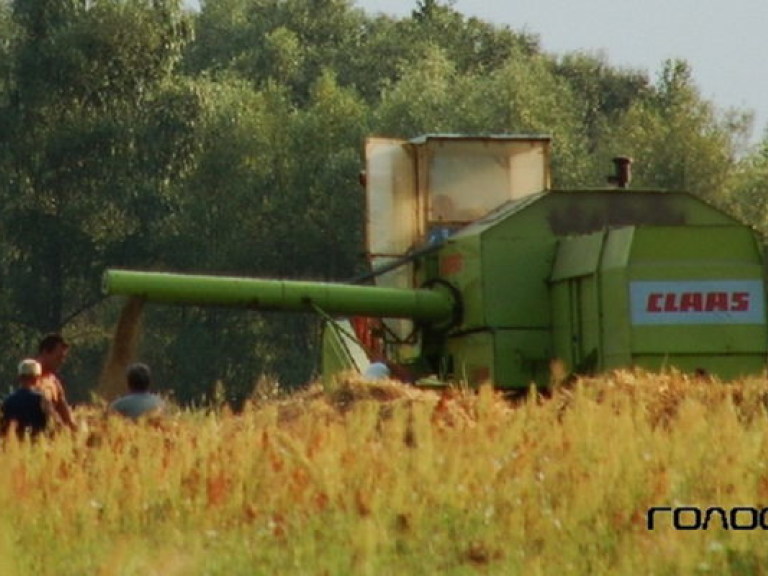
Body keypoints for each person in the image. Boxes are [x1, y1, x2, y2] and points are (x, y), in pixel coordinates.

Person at [1, 359, 56, 439]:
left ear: (19, 377)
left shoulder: (7, 401)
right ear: (36, 378)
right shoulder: (42, 399)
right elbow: (54, 423)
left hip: (13, 447)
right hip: (37, 446)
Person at [35, 333, 77, 432]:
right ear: (45, 352)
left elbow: (65, 413)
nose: (61, 362)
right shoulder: (30, 378)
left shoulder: (53, 381)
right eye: (58, 357)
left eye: (63, 358)